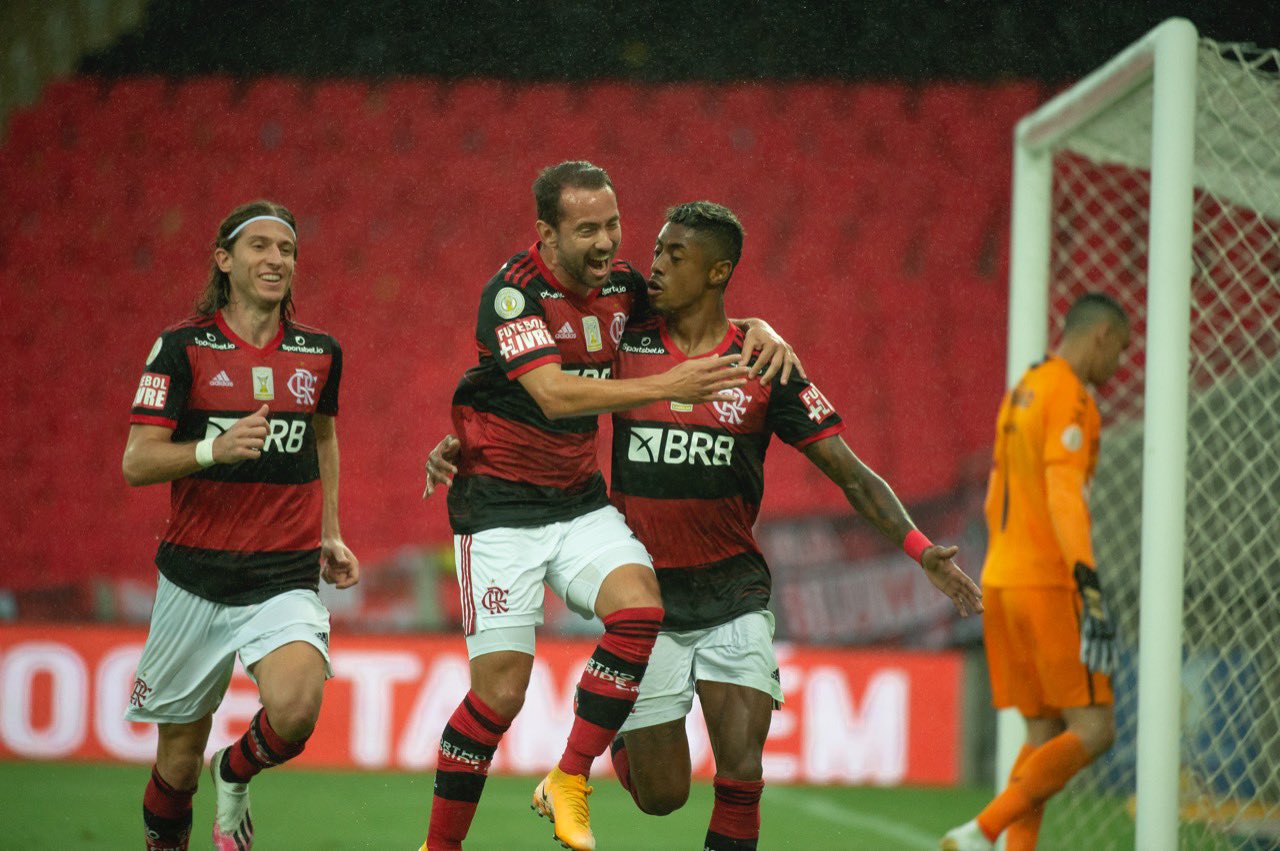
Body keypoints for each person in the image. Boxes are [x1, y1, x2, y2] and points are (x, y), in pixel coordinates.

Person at [427, 200, 983, 851]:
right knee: (664, 798)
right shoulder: (625, 335)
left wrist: (920, 549)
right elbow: (539, 385)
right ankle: (627, 743)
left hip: (733, 591)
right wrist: (469, 440)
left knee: (742, 762)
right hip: (650, 592)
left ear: (717, 272)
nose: (653, 266)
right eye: (657, 250)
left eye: (674, 256)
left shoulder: (764, 364)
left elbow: (851, 471)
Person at [418, 162, 799, 851]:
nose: (606, 242)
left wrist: (762, 325)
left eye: (613, 224)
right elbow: (556, 395)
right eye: (587, 228)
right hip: (499, 509)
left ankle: (569, 775)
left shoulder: (622, 287)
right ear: (547, 232)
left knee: (641, 608)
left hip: (576, 502)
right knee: (499, 696)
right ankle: (438, 846)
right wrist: (675, 381)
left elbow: (703, 309)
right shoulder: (513, 294)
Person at [121, 200, 359, 851]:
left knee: (298, 707)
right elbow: (137, 460)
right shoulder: (182, 348)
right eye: (259, 246)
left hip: (282, 571)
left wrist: (331, 531)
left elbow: (324, 439)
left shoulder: (318, 353)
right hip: (194, 575)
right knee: (174, 765)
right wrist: (210, 450)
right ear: (225, 260)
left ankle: (235, 769)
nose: (275, 259)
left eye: (286, 249)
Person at [941, 293, 1130, 851]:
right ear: (1100, 337)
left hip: (1002, 577)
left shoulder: (1022, 390)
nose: (1119, 366)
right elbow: (1064, 492)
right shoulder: (1071, 396)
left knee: (1044, 732)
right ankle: (984, 829)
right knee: (1095, 729)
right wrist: (1087, 583)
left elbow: (994, 493)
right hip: (1047, 581)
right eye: (1119, 349)